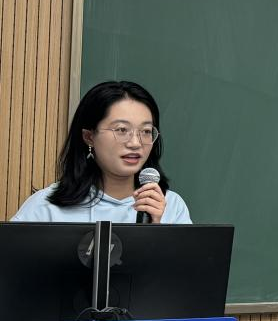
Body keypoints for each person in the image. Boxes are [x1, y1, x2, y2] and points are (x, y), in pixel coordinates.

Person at [10, 81, 192, 224]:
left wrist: (157, 231)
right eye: (122, 130)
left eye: (145, 131)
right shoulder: (46, 207)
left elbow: (187, 262)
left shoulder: (171, 207)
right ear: (89, 137)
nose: (136, 143)